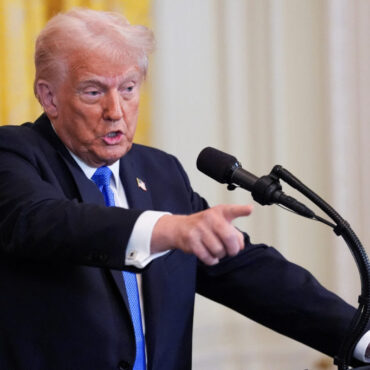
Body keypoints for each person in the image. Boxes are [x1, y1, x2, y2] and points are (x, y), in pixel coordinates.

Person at [0, 8, 368, 370]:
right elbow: (47, 220)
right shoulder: (16, 155)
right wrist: (166, 229)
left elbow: (243, 271)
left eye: (128, 88)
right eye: (94, 92)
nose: (116, 111)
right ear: (49, 98)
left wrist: (361, 338)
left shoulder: (160, 172)